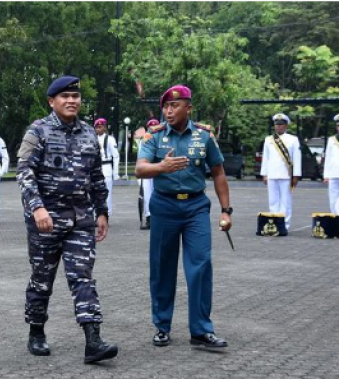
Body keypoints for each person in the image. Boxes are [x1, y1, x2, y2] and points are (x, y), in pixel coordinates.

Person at [16, 75, 118, 363]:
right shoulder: (38, 131)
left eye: (76, 96)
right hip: (45, 221)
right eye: (65, 97)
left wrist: (102, 212)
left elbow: (97, 177)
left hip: (80, 220)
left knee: (82, 277)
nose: (72, 101)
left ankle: (93, 340)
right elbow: (24, 173)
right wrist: (37, 207)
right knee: (41, 280)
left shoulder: (89, 134)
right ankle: (36, 331)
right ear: (52, 101)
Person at [136, 84, 231, 349]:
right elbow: (140, 169)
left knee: (200, 265)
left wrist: (226, 210)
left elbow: (219, 172)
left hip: (196, 207)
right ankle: (162, 326)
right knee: (162, 267)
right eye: (166, 106)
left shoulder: (204, 136)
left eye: (174, 106)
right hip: (164, 207)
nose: (168, 110)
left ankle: (201, 330)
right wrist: (161, 166)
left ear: (188, 108)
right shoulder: (153, 136)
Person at [260, 113, 302, 232]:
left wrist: (296, 175)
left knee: (286, 201)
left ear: (286, 125)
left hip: (286, 175)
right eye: (276, 124)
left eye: (281, 124)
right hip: (272, 174)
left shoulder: (293, 139)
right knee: (273, 200)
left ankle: (285, 225)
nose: (278, 127)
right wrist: (264, 174)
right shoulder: (269, 139)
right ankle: (274, 223)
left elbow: (297, 158)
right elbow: (266, 158)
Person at [94, 118, 119, 216]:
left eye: (100, 127)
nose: (98, 129)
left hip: (106, 167)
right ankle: (97, 214)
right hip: (96, 168)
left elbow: (116, 156)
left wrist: (115, 173)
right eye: (97, 127)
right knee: (95, 193)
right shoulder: (93, 138)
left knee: (106, 193)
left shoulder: (110, 139)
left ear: (104, 127)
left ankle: (106, 214)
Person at [323, 114, 339, 214]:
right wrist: (326, 175)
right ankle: (335, 220)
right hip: (333, 173)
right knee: (333, 198)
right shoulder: (331, 140)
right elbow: (328, 158)